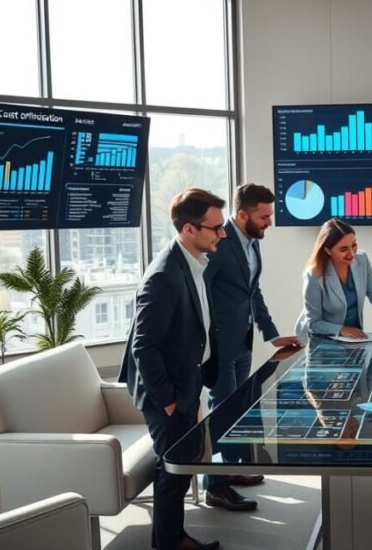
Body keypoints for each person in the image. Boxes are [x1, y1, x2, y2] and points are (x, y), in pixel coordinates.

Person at [119, 188, 227, 550]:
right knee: (175, 469)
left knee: (181, 466)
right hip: (166, 393)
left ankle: (172, 537)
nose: (222, 234)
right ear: (189, 230)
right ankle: (169, 544)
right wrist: (167, 401)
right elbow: (143, 347)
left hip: (187, 382)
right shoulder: (164, 275)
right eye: (215, 228)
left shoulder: (195, 264)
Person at [203, 183, 302, 508]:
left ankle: (229, 471)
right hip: (218, 346)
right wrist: (207, 340)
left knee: (238, 408)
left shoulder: (251, 243)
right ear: (242, 214)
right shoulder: (218, 241)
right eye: (264, 216)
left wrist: (272, 334)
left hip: (242, 341)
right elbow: (200, 291)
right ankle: (214, 484)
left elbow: (252, 292)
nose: (269, 222)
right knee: (223, 411)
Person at [294, 218, 372, 341]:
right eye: (343, 249)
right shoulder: (314, 275)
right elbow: (313, 323)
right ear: (328, 250)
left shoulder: (362, 260)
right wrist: (342, 329)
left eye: (354, 245)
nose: (351, 253)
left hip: (352, 338)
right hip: (321, 338)